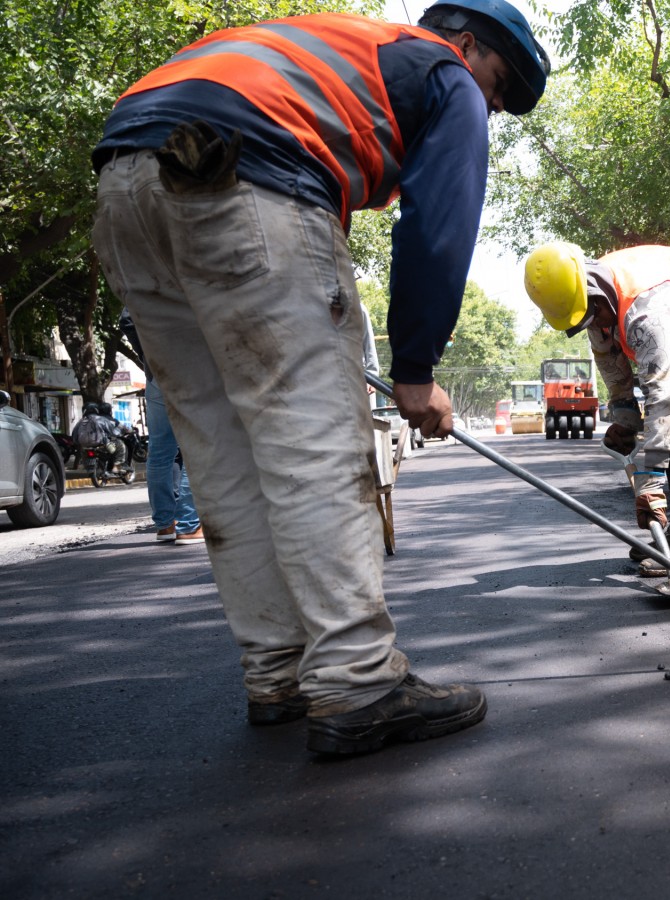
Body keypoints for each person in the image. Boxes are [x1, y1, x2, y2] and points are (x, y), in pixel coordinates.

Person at [90, 1, 550, 755]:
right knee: (316, 442)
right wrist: (416, 371)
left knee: (220, 450)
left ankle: (277, 671)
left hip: (127, 179)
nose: (491, 108)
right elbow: (439, 225)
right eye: (499, 88)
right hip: (247, 173)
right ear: (468, 45)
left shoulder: (335, 41)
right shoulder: (446, 75)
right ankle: (358, 682)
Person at [523, 243, 670, 575]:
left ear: (596, 294)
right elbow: (611, 364)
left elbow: (663, 403)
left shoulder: (647, 312)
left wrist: (649, 481)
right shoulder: (593, 299)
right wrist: (624, 419)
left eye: (593, 317)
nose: (594, 327)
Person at [120, 311, 202, 545]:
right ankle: (189, 525)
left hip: (156, 372)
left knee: (160, 450)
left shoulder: (142, 278)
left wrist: (148, 354)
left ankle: (165, 525)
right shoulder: (178, 277)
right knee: (194, 445)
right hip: (190, 369)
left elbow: (126, 319)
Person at [70, 403, 134, 479]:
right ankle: (117, 466)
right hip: (101, 444)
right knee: (121, 445)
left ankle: (91, 467)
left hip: (85, 446)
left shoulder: (80, 422)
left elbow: (74, 435)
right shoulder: (101, 419)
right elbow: (112, 432)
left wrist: (78, 444)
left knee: (85, 453)